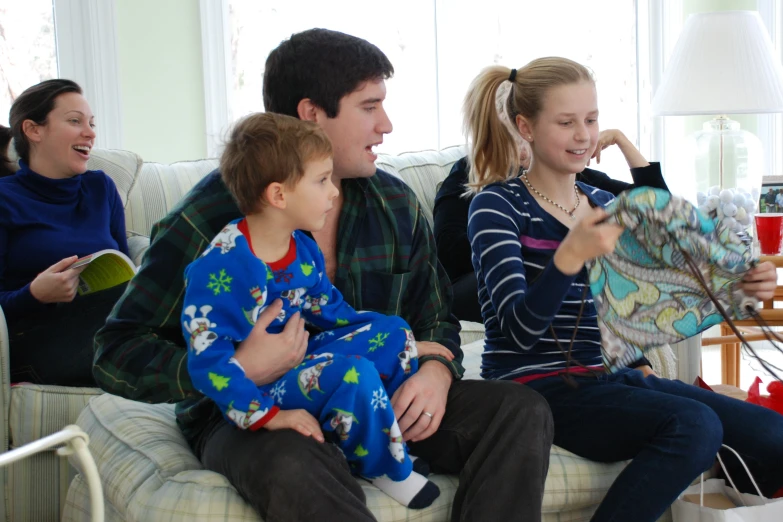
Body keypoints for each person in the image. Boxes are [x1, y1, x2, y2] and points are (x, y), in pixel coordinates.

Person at [94, 29, 553, 522]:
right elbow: (116, 350)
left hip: (374, 393)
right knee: (295, 462)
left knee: (520, 412)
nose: (388, 125)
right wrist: (241, 367)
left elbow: (436, 318)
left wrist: (438, 371)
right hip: (251, 413)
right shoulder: (208, 218)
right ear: (311, 113)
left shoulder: (395, 205)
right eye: (370, 106)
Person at [463, 57, 783, 522]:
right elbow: (517, 332)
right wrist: (568, 258)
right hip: (538, 387)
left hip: (610, 378)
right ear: (525, 127)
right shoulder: (497, 206)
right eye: (566, 122)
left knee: (772, 433)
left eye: (591, 120)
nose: (583, 135)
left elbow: (680, 272)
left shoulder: (603, 204)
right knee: (694, 426)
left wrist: (746, 286)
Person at [182, 112, 449, 508]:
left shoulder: (300, 248)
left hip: (299, 362)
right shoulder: (222, 268)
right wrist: (270, 416)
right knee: (353, 373)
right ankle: (385, 466)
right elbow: (207, 365)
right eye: (322, 181)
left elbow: (333, 312)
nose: (334, 192)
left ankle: (367, 431)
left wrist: (404, 342)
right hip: (255, 391)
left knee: (393, 330)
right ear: (279, 195)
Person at [433, 79, 667, 323]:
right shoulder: (469, 176)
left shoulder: (568, 174)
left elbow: (659, 209)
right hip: (481, 288)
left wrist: (621, 140)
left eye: (589, 121)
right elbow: (448, 253)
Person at [0, 79, 129, 386]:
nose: (90, 133)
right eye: (75, 121)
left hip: (105, 331)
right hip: (33, 342)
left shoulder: (101, 188)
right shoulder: (4, 199)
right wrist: (33, 294)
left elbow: (129, 271)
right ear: (34, 130)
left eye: (91, 123)